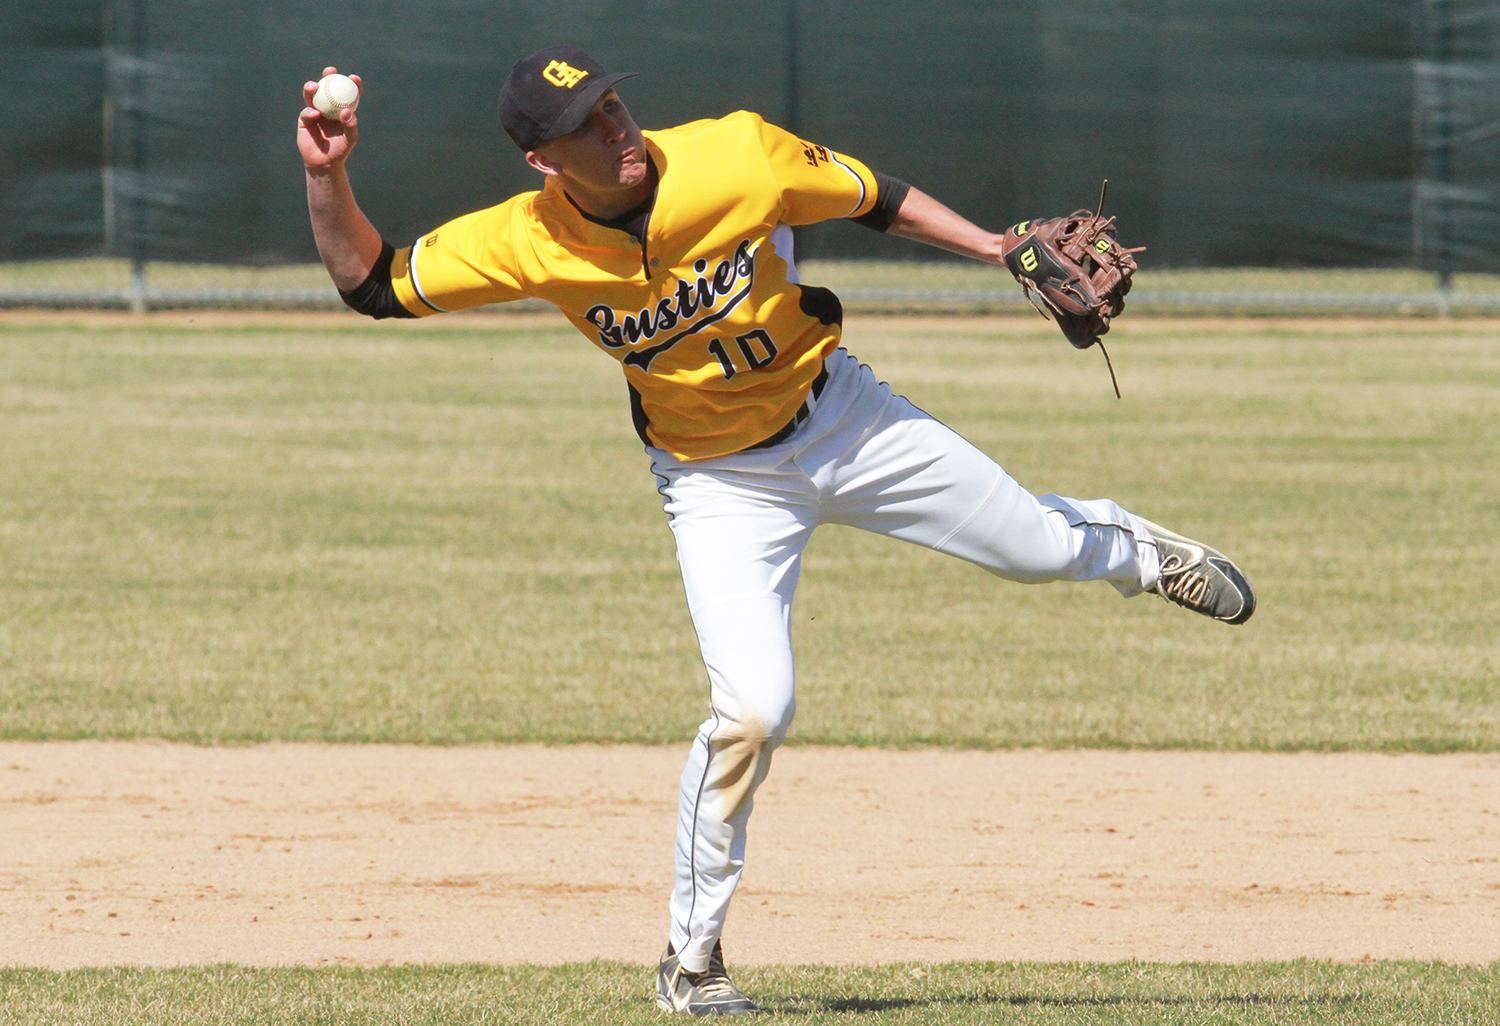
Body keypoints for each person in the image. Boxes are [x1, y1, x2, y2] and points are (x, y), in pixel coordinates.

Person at [298, 45, 1255, 1016]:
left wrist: (999, 246)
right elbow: (369, 281)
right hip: (718, 485)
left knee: (1038, 549)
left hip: (841, 415)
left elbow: (873, 194)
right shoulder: (525, 239)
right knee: (753, 709)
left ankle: (1137, 551)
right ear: (544, 163)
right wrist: (326, 172)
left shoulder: (734, 158)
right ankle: (692, 960)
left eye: (613, 103)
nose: (615, 126)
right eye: (586, 123)